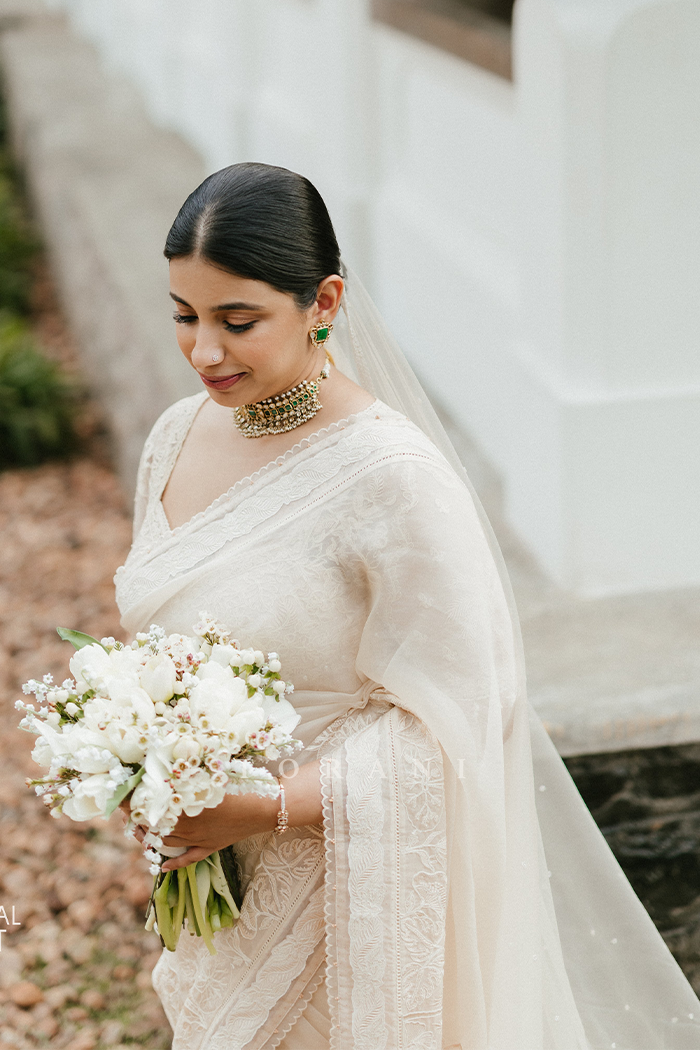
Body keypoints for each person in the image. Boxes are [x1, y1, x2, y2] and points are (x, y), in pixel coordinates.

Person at [115, 162, 700, 1050]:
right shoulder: (173, 436)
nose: (204, 353)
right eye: (185, 318)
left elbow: (467, 714)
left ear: (324, 303)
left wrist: (260, 807)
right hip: (212, 884)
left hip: (341, 898)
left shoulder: (392, 477)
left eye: (238, 322)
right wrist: (141, 758)